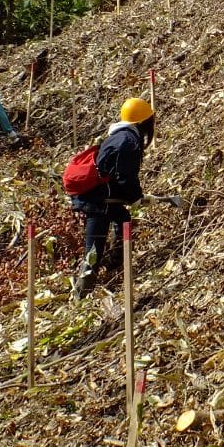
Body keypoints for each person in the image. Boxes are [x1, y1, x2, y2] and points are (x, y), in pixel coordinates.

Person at [69, 97, 155, 297]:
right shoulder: (128, 142)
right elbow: (125, 176)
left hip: (102, 196)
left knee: (123, 219)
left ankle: (115, 265)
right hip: (98, 200)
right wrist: (135, 196)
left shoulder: (119, 136)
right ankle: (81, 295)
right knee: (93, 251)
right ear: (143, 122)